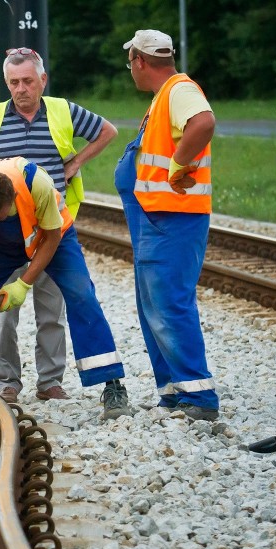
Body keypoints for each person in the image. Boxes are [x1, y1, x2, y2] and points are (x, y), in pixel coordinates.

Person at [0, 47, 117, 404]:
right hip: (0, 227)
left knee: (55, 308)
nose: (21, 89)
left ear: (43, 80)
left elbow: (107, 131)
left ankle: (52, 381)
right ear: (7, 83)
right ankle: (8, 383)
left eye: (27, 81)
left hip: (49, 223)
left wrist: (76, 162)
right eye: (13, 82)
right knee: (2, 311)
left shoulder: (62, 111)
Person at [0, 157, 132, 421]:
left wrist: (23, 283)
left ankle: (112, 386)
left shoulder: (38, 185)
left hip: (51, 236)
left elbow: (52, 238)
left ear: (12, 200)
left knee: (82, 295)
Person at [115, 30, 219, 421]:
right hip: (155, 219)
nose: (131, 71)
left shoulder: (179, 90)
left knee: (170, 305)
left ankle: (199, 398)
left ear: (140, 61)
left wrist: (179, 162)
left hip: (173, 220)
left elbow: (204, 122)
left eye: (131, 64)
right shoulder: (164, 98)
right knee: (153, 307)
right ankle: (175, 392)